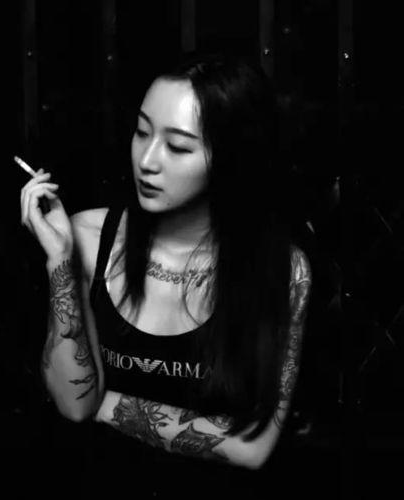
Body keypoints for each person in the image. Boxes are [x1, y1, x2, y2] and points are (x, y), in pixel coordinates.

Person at [20, 52, 312, 498]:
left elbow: (253, 447)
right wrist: (59, 261)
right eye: (142, 132)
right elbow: (74, 405)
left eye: (177, 146)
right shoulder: (86, 237)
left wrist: (105, 401)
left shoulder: (282, 271)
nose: (147, 160)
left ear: (231, 156)